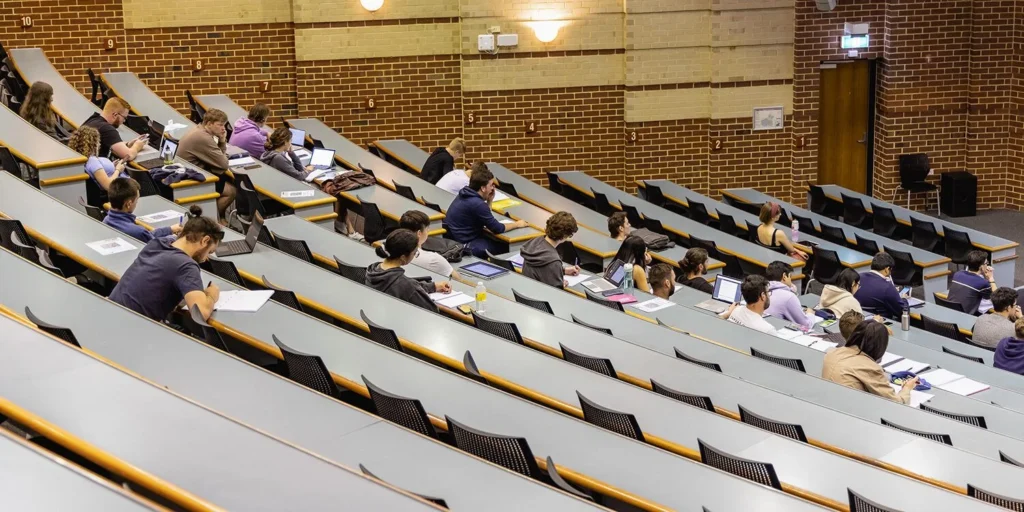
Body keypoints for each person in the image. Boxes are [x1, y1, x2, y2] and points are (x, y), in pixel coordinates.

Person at [108, 214, 224, 322]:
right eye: (210, 251)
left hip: (110, 311)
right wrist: (211, 296)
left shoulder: (157, 243)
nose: (206, 258)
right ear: (205, 241)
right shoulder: (186, 266)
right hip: (134, 325)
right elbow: (200, 313)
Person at [822, 320, 917, 404]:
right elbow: (897, 403)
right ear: (880, 345)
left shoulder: (832, 353)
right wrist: (907, 389)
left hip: (828, 404)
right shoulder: (870, 368)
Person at [443, 165, 528, 257]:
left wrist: (489, 201)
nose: (493, 188)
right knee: (506, 246)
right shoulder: (478, 204)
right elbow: (497, 228)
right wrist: (517, 224)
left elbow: (484, 218)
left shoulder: (464, 193)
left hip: (456, 239)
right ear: (483, 188)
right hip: (467, 244)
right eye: (491, 185)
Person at [365, 229, 451, 312]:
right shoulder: (404, 284)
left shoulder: (373, 270)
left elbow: (408, 287)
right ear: (403, 257)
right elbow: (432, 310)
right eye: (414, 253)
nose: (414, 256)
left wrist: (433, 286)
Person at [177, 108, 236, 224]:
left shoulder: (198, 130)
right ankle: (213, 221)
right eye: (220, 125)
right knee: (231, 191)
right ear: (209, 124)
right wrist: (223, 141)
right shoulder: (203, 137)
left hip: (190, 171)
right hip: (191, 181)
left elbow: (218, 160)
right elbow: (223, 164)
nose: (223, 128)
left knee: (225, 178)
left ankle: (220, 218)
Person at [103, 177, 187, 242]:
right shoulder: (137, 231)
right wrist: (175, 237)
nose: (137, 203)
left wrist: (170, 229)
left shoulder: (106, 220)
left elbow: (147, 235)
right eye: (137, 200)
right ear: (128, 204)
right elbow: (157, 243)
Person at [520, 211, 580, 288]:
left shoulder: (535, 242)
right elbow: (556, 292)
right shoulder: (554, 260)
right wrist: (562, 284)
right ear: (564, 236)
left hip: (529, 290)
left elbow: (541, 269)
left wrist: (563, 270)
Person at [399, 210, 460, 280]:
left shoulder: (390, 249)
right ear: (419, 233)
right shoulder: (434, 259)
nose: (428, 231)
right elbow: (458, 279)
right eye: (427, 229)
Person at [81, 97, 148, 161]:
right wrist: (137, 146)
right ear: (115, 115)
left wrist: (129, 144)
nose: (124, 121)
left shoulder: (93, 119)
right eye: (124, 117)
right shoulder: (107, 129)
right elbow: (128, 155)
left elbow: (112, 145)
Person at [69, 126, 128, 193]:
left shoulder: (83, 158)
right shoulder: (92, 161)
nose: (99, 144)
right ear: (92, 143)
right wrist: (118, 170)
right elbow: (108, 186)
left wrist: (113, 166)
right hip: (122, 190)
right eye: (98, 141)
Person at [854, 253, 909, 319]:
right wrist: (903, 299)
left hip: (858, 318)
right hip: (880, 323)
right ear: (887, 269)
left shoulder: (857, 277)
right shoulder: (887, 287)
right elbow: (903, 312)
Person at [764, 261, 817, 329]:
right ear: (784, 276)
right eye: (790, 277)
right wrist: (810, 313)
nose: (791, 280)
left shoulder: (762, 290)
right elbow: (806, 325)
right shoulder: (788, 297)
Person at [946, 250, 997, 315]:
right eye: (986, 263)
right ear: (981, 267)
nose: (987, 265)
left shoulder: (958, 274)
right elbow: (997, 298)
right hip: (965, 317)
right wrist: (991, 278)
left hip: (949, 312)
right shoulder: (983, 283)